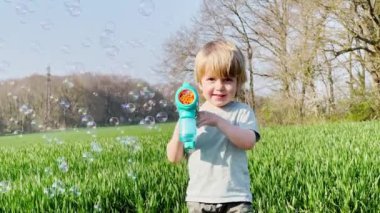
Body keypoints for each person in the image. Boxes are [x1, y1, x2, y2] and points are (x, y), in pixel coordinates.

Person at [166, 39, 260, 213]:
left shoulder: (242, 112)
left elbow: (248, 142)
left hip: (235, 198)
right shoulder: (193, 117)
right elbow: (174, 157)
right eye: (211, 79)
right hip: (199, 198)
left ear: (238, 83)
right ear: (200, 84)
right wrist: (182, 123)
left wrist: (218, 121)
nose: (219, 87)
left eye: (227, 80)